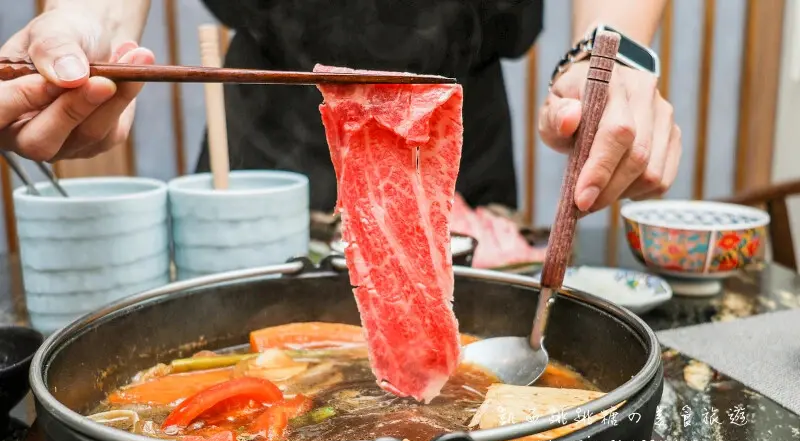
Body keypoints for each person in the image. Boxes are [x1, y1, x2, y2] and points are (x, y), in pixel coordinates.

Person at [0, 0, 680, 215]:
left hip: (459, 140)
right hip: (266, 134)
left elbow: (609, 41)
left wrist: (609, 53)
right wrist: (85, 19)